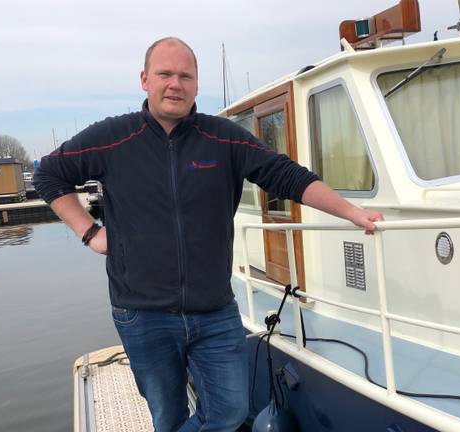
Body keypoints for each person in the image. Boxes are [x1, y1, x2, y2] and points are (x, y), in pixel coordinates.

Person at [34, 37, 383, 432]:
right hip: (142, 314)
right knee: (167, 416)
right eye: (165, 74)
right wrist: (90, 233)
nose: (175, 84)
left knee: (230, 413)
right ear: (145, 79)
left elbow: (288, 177)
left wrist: (351, 211)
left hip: (214, 310)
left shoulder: (224, 139)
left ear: (197, 85)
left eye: (186, 76)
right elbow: (49, 174)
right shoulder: (114, 138)